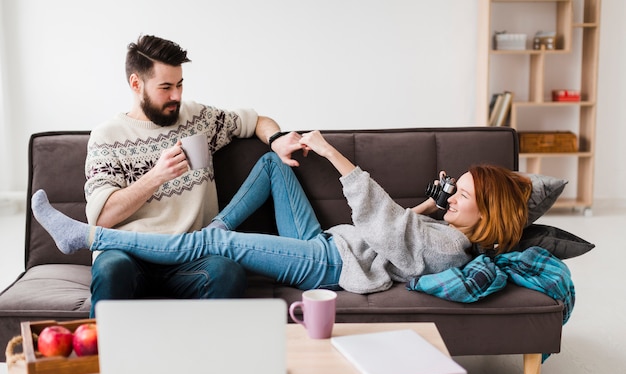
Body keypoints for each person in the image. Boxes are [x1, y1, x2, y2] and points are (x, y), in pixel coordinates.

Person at [33, 130, 533, 295]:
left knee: (218, 246)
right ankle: (215, 226)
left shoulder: (449, 249)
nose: (453, 199)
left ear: (486, 217)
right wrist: (433, 201)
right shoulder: (445, 232)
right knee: (274, 165)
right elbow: (403, 232)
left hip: (332, 265)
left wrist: (332, 152)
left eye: (462, 196)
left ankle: (91, 237)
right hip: (328, 240)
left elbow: (387, 225)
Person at [83, 34, 304, 317]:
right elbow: (101, 218)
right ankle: (101, 360)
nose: (176, 96)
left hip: (189, 256)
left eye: (179, 84)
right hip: (129, 255)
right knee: (110, 269)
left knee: (226, 272)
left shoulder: (197, 119)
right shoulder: (107, 137)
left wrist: (276, 139)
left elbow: (255, 120)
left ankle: (207, 359)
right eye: (165, 87)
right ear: (136, 84)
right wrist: (156, 176)